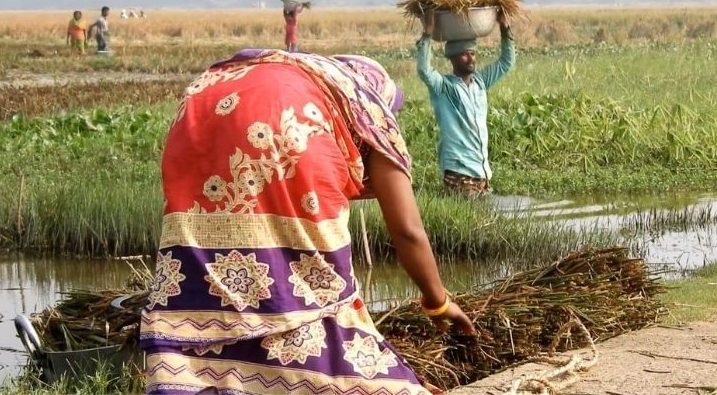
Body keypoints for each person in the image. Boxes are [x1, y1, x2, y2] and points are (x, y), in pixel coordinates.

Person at [139, 48, 475, 395]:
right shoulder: (366, 107)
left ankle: (204, 379)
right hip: (289, 120)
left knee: (219, 280)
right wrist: (438, 301)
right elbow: (407, 230)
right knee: (313, 286)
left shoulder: (308, 78)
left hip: (199, 107)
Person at [416, 9, 516, 196]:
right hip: (458, 170)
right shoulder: (444, 87)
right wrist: (428, 32)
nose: (471, 59)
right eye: (464, 54)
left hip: (481, 170)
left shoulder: (480, 82)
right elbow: (424, 70)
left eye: (472, 53)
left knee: (483, 219)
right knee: (472, 217)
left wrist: (505, 28)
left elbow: (506, 63)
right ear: (452, 58)